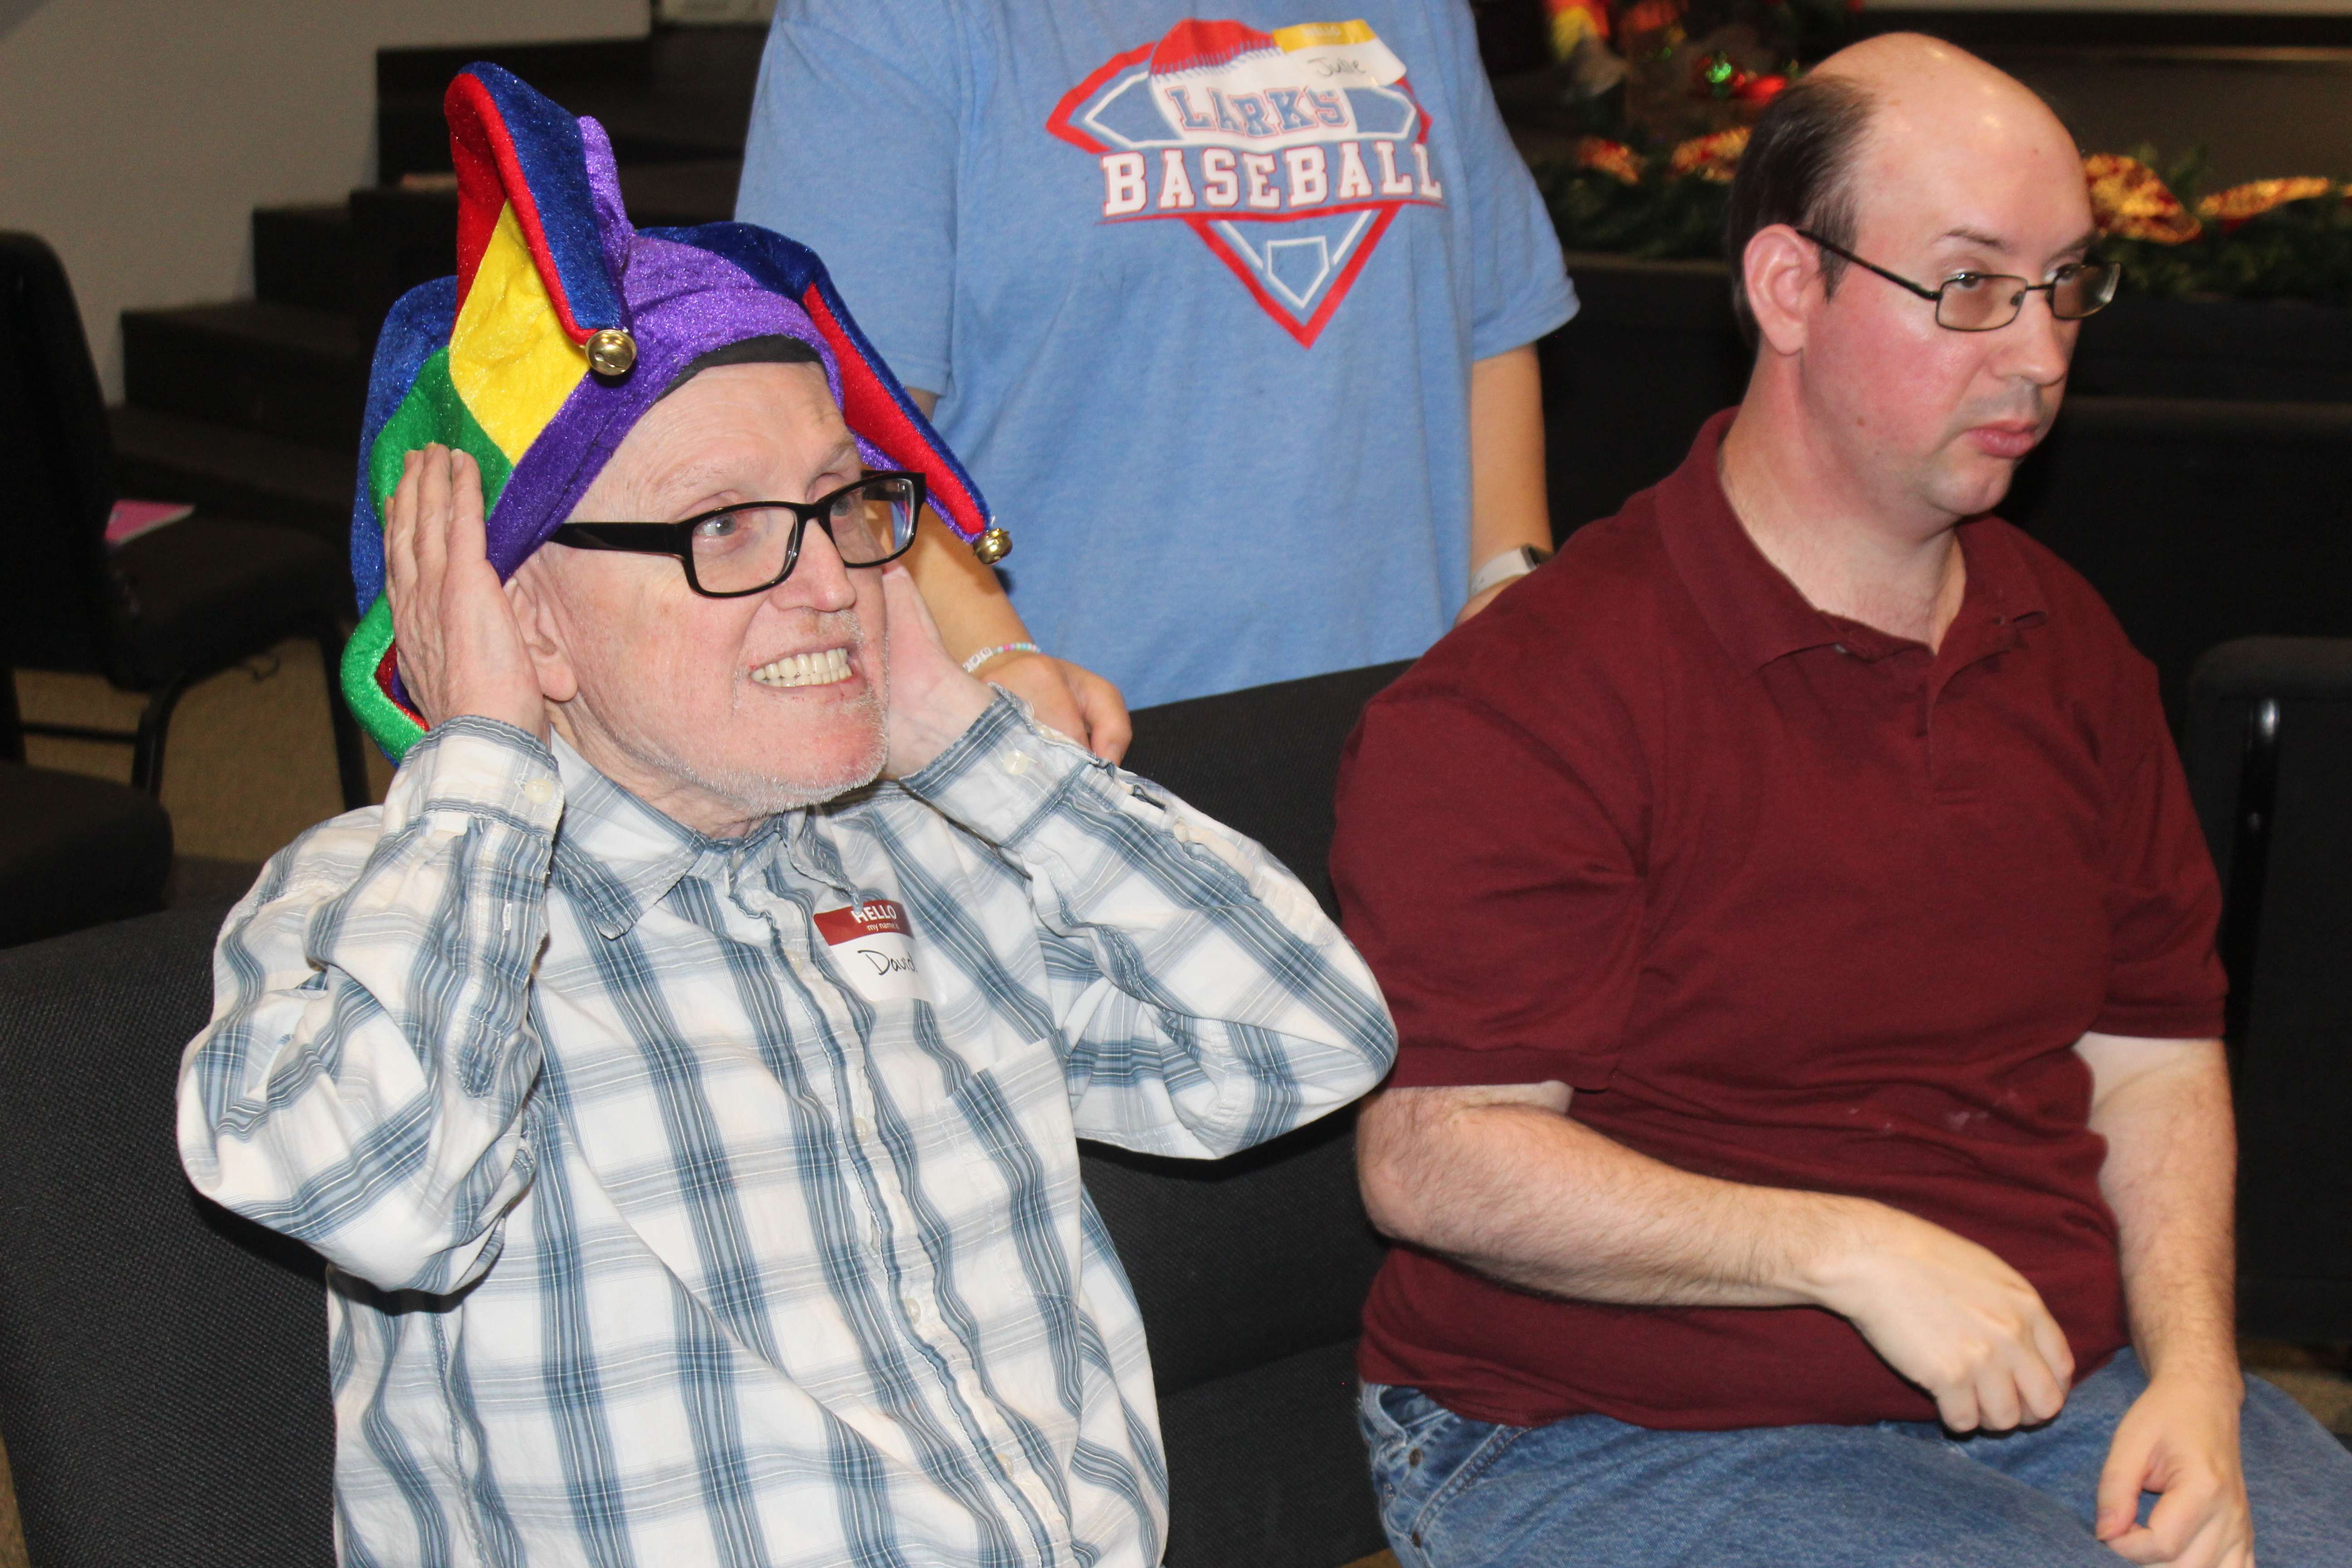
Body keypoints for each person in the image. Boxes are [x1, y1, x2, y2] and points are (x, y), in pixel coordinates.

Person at [177, 65, 1395, 1568]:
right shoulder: (377, 906)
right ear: (524, 621)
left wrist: (955, 725)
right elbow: (384, 1191)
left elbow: (1302, 1038)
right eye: (726, 527)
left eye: (843, 505)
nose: (827, 573)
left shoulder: (931, 865)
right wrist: (484, 763)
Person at [1328, 34, 2352, 1568]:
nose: (2037, 353)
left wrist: (2200, 1377)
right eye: (1967, 286)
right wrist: (1842, 1249)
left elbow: (2149, 1059)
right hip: (1592, 1424)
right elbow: (1435, 1156)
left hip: (2055, 1384)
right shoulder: (1536, 687)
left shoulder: (2060, 638)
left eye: (2064, 283)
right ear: (1788, 289)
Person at [735, 3, 1575, 717]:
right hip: (1089, 745)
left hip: (1414, 734)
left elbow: (1490, 326)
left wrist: (1514, 588)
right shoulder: (893, 23)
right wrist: (996, 665)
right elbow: (839, 426)